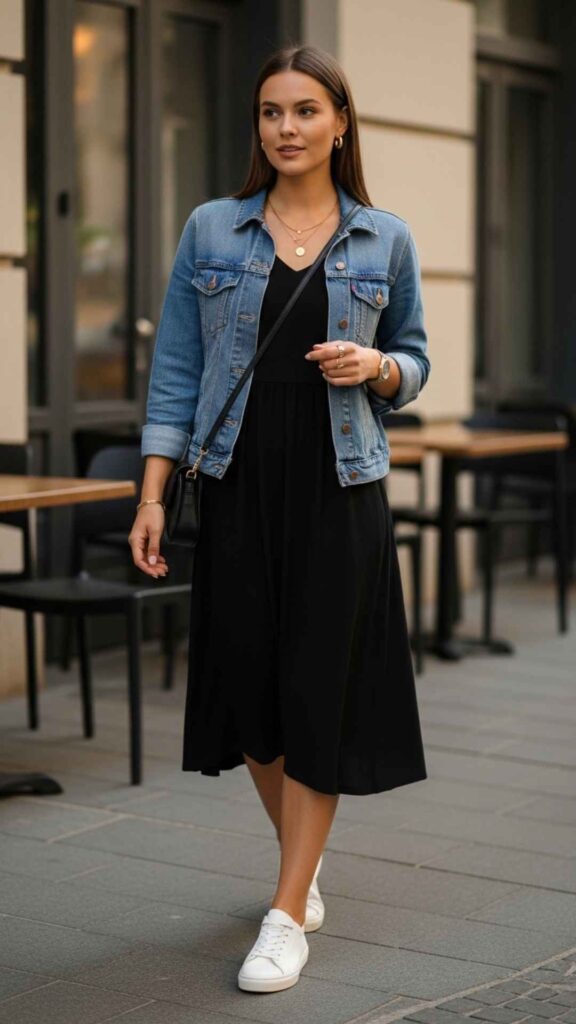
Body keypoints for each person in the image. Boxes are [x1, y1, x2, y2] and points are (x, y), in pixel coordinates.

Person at [129, 43, 430, 995]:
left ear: (340, 122)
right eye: (271, 113)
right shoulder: (214, 230)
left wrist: (380, 370)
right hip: (236, 481)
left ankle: (286, 907)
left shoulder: (385, 237)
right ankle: (303, 860)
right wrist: (149, 492)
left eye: (305, 111)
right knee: (249, 694)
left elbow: (416, 357)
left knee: (317, 692)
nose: (287, 128)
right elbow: (175, 369)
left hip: (341, 488)